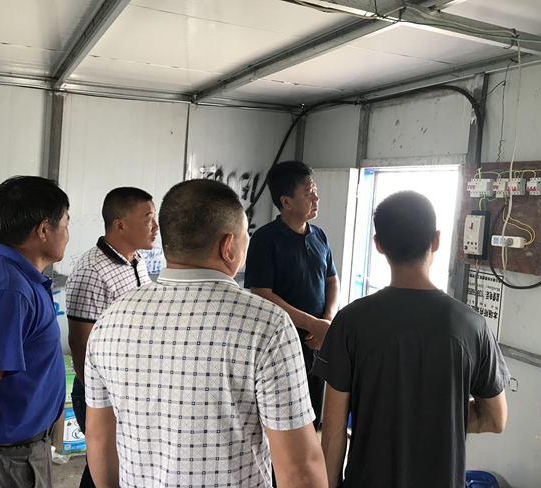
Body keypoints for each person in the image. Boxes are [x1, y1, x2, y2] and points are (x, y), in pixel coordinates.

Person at [84, 179, 328, 488]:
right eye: (245, 236)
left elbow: (99, 439)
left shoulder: (110, 321)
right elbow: (299, 468)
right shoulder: (267, 326)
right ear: (228, 246)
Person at [315, 191, 510, 488]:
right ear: (436, 240)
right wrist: (438, 419)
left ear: (378, 244)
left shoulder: (350, 322)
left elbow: (333, 427)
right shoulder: (472, 326)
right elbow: (496, 420)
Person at [65, 187, 158, 488]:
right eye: (148, 218)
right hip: (102, 393)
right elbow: (81, 345)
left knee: (115, 465)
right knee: (103, 466)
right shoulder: (93, 270)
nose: (156, 227)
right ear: (119, 225)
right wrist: (99, 400)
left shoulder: (136, 261)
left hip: (129, 387)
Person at [245, 161, 339, 429]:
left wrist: (327, 320)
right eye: (308, 193)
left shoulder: (319, 235)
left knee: (313, 415)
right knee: (284, 419)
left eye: (315, 191)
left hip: (317, 342)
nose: (316, 199)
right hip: (282, 341)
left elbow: (332, 280)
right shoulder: (265, 239)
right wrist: (313, 324)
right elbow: (261, 293)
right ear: (286, 202)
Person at [0, 176, 70, 488]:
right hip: (9, 461)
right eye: (66, 222)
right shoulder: (10, 289)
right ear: (43, 229)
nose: (67, 234)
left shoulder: (15, 277)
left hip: (22, 451)